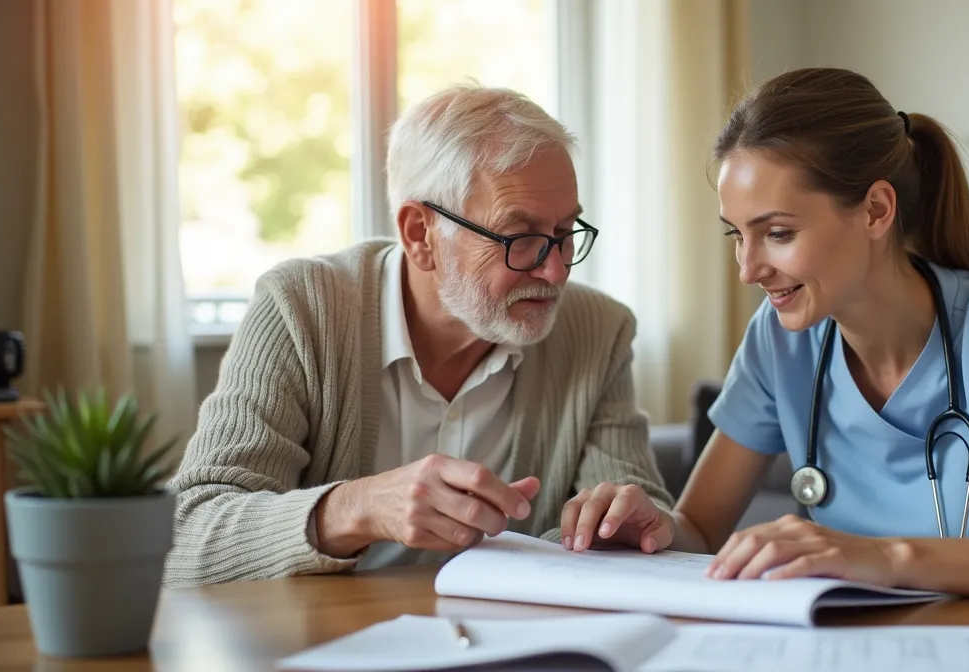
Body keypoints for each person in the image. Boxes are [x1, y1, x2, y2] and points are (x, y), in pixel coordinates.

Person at [557, 67, 969, 602]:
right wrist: (652, 526)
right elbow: (700, 527)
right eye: (735, 235)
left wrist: (887, 559)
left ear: (876, 210)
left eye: (778, 233)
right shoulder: (780, 341)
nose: (747, 269)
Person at [164, 84, 674, 588]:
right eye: (522, 239)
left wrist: (629, 525)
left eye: (564, 235)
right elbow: (188, 534)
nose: (557, 272)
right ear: (418, 234)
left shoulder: (598, 330)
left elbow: (638, 521)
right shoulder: (302, 307)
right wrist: (356, 508)